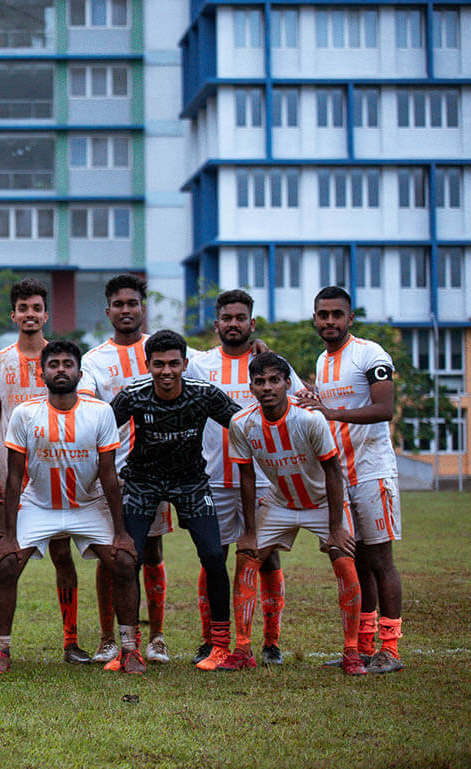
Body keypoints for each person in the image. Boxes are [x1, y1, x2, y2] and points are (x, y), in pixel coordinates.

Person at [0, 341, 142, 673]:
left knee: (124, 561)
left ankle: (130, 649)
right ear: (42, 373)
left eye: (67, 364)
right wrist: (9, 536)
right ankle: (1, 649)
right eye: (53, 364)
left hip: (87, 504)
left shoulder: (100, 412)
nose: (61, 369)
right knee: (7, 563)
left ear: (79, 373)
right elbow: (14, 478)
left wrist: (121, 532)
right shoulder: (25, 413)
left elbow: (109, 475)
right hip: (39, 505)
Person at [222, 352, 366, 675]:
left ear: (287, 383)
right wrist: (249, 531)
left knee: (344, 559)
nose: (267, 387)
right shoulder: (242, 423)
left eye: (274, 380)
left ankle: (352, 651)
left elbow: (333, 472)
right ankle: (243, 649)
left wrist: (336, 528)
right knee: (247, 557)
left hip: (323, 502)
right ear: (251, 387)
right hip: (281, 502)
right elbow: (247, 477)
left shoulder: (309, 419)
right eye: (260, 381)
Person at [183, 289, 303, 666]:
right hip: (214, 478)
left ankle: (270, 642)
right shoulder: (199, 365)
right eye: (226, 318)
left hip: (264, 478)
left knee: (266, 557)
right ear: (216, 324)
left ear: (252, 323)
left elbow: (301, 402)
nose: (233, 324)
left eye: (240, 318)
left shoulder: (270, 363)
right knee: (212, 557)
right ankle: (211, 639)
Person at [110, 329, 241, 671]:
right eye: (159, 364)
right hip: (143, 481)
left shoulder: (203, 393)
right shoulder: (133, 395)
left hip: (191, 482)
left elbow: (243, 423)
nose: (166, 371)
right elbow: (99, 428)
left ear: (184, 363)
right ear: (148, 365)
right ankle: (129, 648)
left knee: (214, 555)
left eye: (173, 364)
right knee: (128, 559)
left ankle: (220, 646)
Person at [0, 278, 92, 663]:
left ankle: (71, 640)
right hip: (12, 476)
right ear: (13, 315)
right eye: (23, 308)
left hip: (57, 472)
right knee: (7, 555)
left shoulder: (61, 359)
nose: (29, 315)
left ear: (46, 315)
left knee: (63, 555)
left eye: (36, 308)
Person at [298, 286, 403, 674]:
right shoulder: (323, 361)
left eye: (336, 314)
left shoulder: (370, 354)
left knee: (380, 560)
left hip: (372, 471)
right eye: (323, 315)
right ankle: (362, 646)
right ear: (315, 318)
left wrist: (330, 412)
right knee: (355, 562)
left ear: (350, 318)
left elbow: (384, 408)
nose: (329, 321)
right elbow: (326, 409)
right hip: (340, 476)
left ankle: (390, 649)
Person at [77, 274, 174, 664]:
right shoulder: (94, 360)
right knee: (110, 554)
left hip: (156, 469)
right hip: (111, 474)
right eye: (118, 304)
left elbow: (209, 363)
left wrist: (255, 348)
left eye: (132, 303)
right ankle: (108, 638)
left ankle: (157, 637)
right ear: (108, 311)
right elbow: (87, 409)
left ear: (142, 308)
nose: (126, 310)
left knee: (152, 549)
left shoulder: (161, 349)